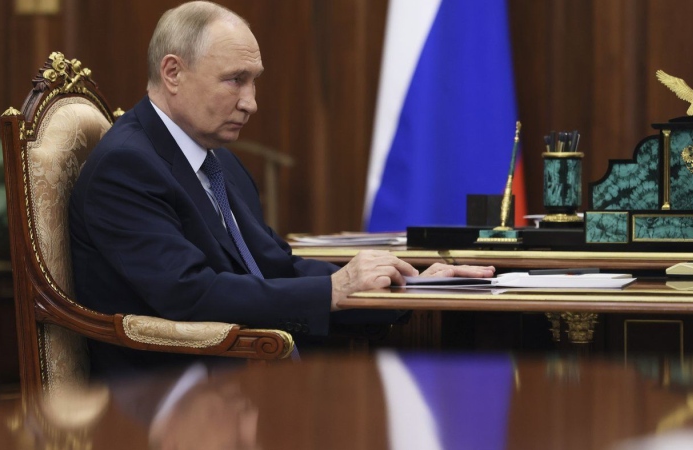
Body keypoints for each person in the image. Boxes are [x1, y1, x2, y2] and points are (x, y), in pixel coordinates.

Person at [68, 1, 494, 376]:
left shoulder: (218, 162)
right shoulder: (126, 167)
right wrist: (333, 290)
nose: (251, 102)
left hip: (244, 373)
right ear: (173, 72)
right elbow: (190, 296)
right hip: (166, 394)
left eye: (254, 81)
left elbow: (275, 266)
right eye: (235, 80)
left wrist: (406, 286)